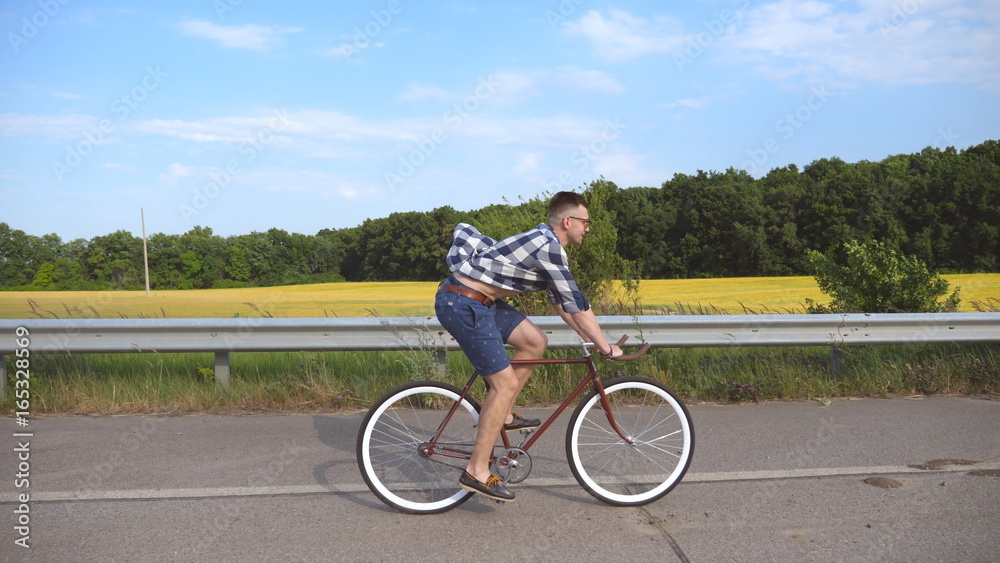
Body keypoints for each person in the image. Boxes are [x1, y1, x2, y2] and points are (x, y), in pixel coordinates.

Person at [434, 191, 623, 502]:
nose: (588, 228)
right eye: (585, 222)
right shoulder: (548, 245)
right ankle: (476, 471)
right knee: (504, 384)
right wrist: (606, 347)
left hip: (479, 302)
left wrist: (591, 340)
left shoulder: (547, 243)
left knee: (535, 341)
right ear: (568, 221)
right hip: (463, 302)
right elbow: (578, 305)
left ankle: (503, 414)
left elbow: (564, 306)